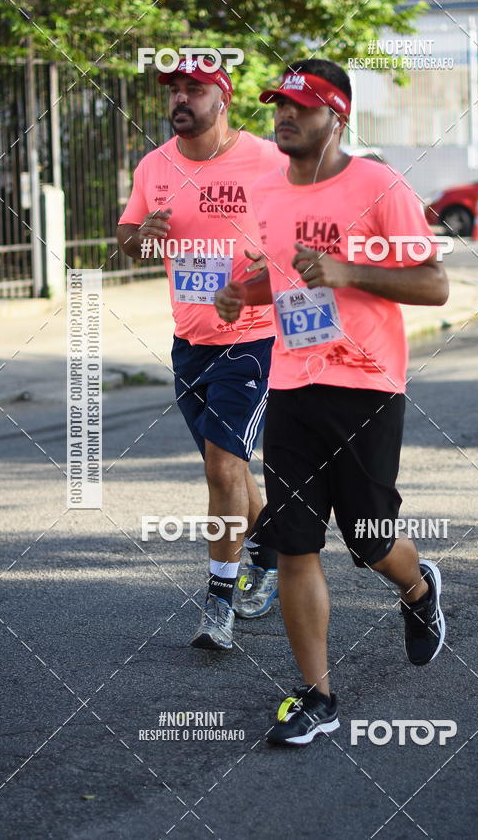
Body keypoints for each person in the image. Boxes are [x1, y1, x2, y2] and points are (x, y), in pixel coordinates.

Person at [214, 58, 449, 744]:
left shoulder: (377, 184)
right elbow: (284, 278)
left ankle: (418, 587)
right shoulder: (272, 193)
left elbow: (434, 283)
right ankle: (316, 696)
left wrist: (349, 270)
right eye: (278, 105)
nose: (285, 116)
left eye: (301, 106)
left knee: (370, 536)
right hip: (291, 383)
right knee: (294, 541)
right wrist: (242, 293)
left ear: (336, 116)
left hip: (368, 383)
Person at [116, 55, 285, 651]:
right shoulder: (154, 166)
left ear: (224, 98)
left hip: (256, 336)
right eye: (175, 90)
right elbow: (126, 237)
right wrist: (143, 238)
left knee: (220, 467)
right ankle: (272, 551)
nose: (181, 99)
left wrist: (276, 260)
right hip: (190, 342)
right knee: (233, 469)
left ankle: (220, 601)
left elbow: (306, 222)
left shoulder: (267, 157)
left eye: (195, 89)